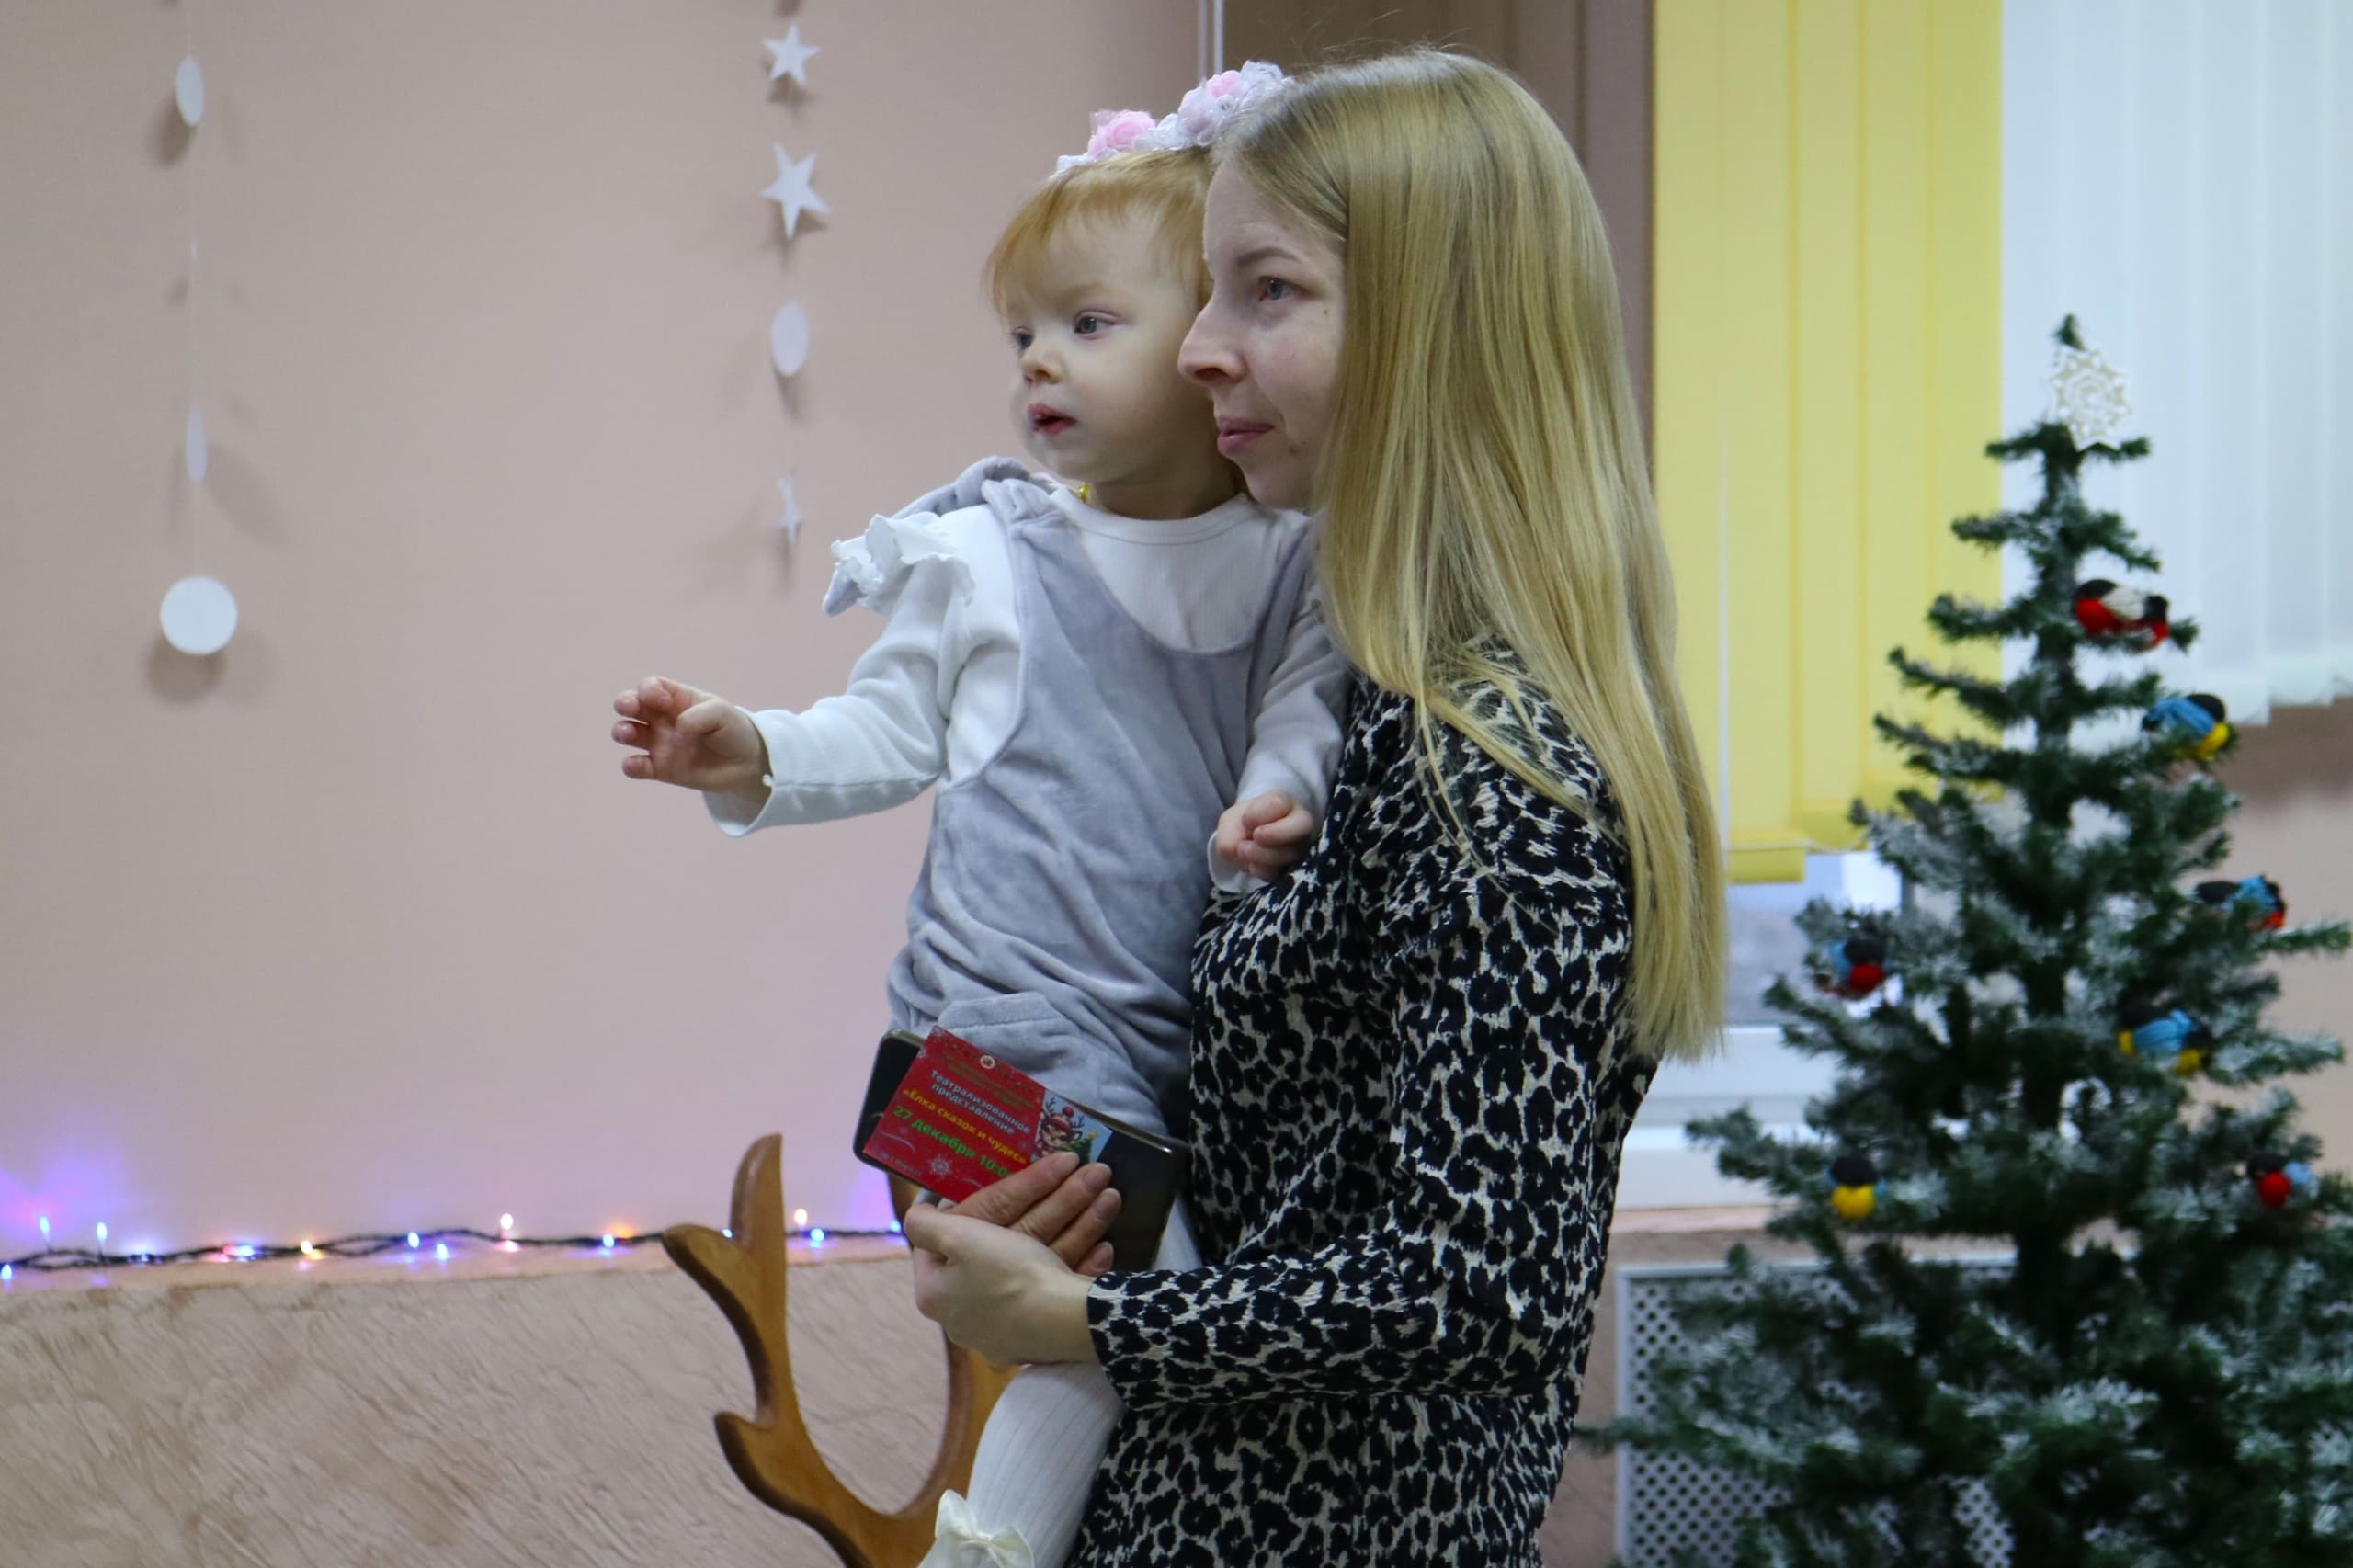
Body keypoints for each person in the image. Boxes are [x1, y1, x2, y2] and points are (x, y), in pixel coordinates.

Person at [900, 49, 1728, 1564]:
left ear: (1431, 324)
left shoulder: (1495, 761)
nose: (1200, 348)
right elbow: (1300, 1190)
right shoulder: (1367, 708)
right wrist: (1063, 1197)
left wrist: (1084, 1317)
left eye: (1266, 291)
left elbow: (1476, 1284)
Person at [610, 64, 1347, 1568]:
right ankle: (986, 1552)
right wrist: (754, 748)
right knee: (1134, 1318)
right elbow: (886, 729)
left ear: (1208, 343)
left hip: (1162, 1052)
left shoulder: (1292, 560)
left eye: (1090, 323)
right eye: (1024, 334)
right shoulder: (991, 552)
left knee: (1141, 1329)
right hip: (998, 1037)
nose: (1040, 361)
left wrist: (1285, 790)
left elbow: (1306, 707)